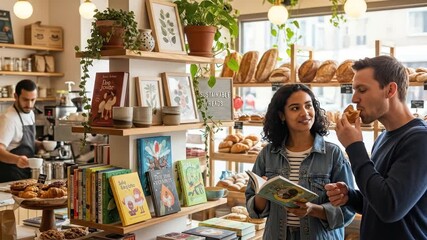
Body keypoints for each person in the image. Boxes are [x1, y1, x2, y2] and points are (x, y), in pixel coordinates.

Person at [325, 56, 427, 240]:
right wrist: (351, 196)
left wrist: (355, 147)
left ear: (390, 90)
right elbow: (378, 201)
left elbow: (390, 208)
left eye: (362, 90)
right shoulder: (383, 138)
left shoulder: (420, 140)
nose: (354, 98)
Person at [246, 83, 355, 240]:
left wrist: (312, 209)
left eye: (308, 106)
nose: (305, 113)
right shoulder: (268, 154)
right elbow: (253, 209)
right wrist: (262, 194)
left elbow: (348, 209)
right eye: (295, 108)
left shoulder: (332, 153)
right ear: (282, 115)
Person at [0, 79, 43, 182]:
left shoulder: (30, 113)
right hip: (10, 176)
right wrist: (17, 160)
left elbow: (22, 140)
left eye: (33, 100)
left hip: (26, 174)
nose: (29, 104)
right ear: (15, 96)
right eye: (25, 99)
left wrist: (40, 144)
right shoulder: (8, 119)